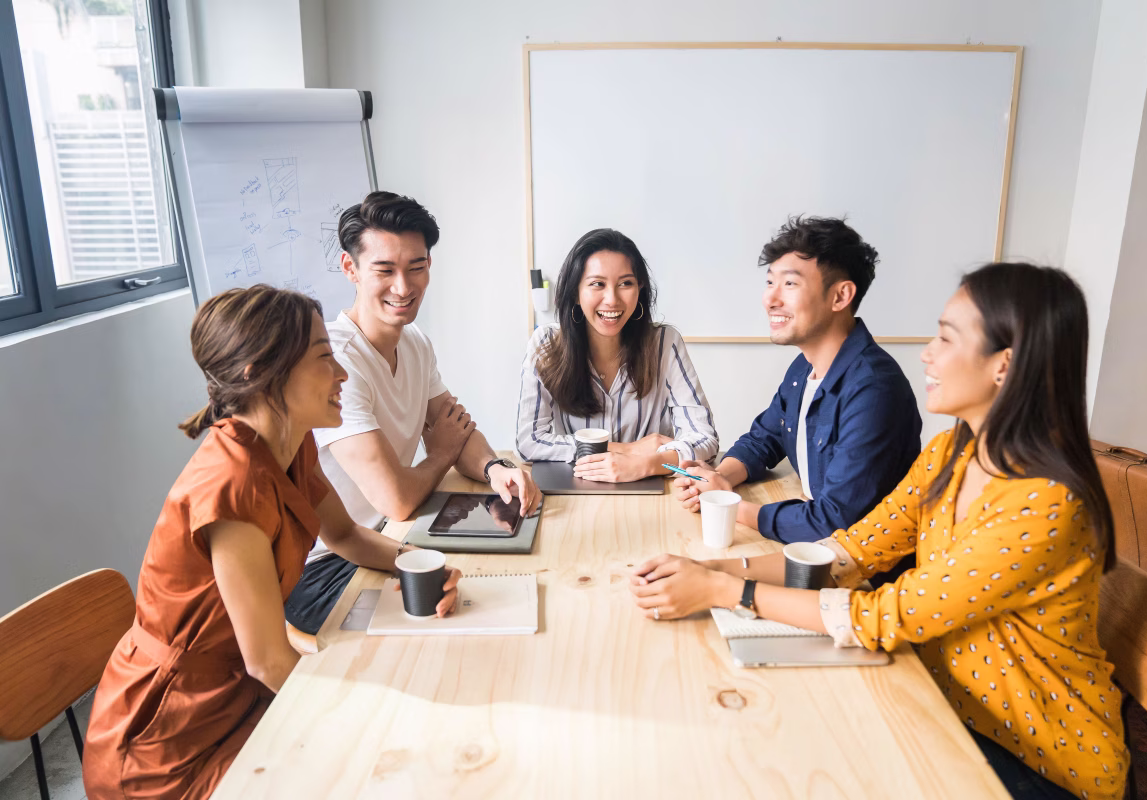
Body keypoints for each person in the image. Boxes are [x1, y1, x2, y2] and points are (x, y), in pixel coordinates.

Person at [629, 263, 1128, 800]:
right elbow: (848, 553)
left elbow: (886, 615)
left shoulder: (1043, 502)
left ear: (1004, 365)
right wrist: (713, 568)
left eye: (946, 337)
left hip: (1038, 762)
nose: (927, 353)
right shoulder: (950, 456)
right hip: (941, 703)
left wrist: (729, 592)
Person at [83, 286, 461, 799]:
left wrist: (423, 565)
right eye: (325, 358)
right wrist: (368, 717)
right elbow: (267, 659)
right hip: (169, 740)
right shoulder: (233, 483)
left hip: (240, 698)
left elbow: (346, 535)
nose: (343, 375)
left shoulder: (289, 441)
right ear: (260, 373)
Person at [285, 192, 541, 636]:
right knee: (467, 615)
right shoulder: (335, 364)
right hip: (330, 567)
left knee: (513, 575)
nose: (403, 287)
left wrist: (494, 466)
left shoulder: (414, 340)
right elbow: (396, 498)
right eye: (384, 270)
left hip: (398, 536)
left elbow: (454, 427)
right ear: (351, 270)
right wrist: (439, 456)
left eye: (416, 268)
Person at [671, 216, 921, 545]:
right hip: (816, 549)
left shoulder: (874, 389)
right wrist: (718, 478)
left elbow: (834, 520)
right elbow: (764, 439)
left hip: (861, 574)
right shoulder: (804, 369)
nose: (770, 299)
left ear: (840, 296)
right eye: (770, 282)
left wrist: (729, 505)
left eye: (789, 284)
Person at [515, 228, 718, 481]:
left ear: (639, 289)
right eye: (597, 284)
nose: (612, 299)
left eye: (625, 283)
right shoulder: (545, 343)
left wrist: (647, 464)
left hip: (654, 492)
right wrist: (627, 450)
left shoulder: (665, 343)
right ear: (575, 292)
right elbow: (529, 442)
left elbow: (705, 438)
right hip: (575, 491)